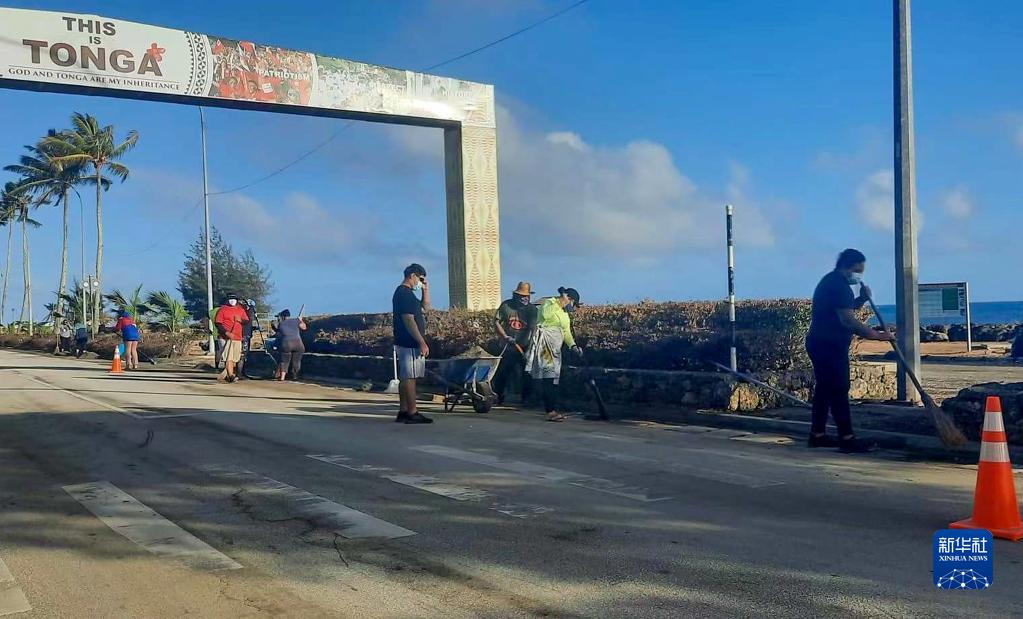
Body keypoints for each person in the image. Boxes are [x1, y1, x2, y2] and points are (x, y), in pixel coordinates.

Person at [806, 249, 895, 453]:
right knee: (838, 389)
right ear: (847, 266)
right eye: (858, 270)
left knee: (825, 389)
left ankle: (817, 435)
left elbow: (842, 309)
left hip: (820, 343)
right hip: (828, 346)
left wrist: (861, 300)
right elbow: (847, 320)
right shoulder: (839, 286)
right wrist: (877, 335)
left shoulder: (832, 282)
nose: (860, 276)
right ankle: (847, 438)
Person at [525, 287, 583, 422]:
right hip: (545, 345)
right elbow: (545, 315)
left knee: (554, 377)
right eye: (573, 303)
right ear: (568, 298)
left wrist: (573, 346)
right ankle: (550, 410)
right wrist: (559, 303)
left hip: (556, 348)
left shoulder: (564, 314)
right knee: (549, 375)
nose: (572, 307)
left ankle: (553, 406)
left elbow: (566, 333)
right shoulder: (549, 303)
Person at [393, 263, 432, 424]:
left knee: (405, 377)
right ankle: (412, 411)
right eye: (420, 279)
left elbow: (426, 308)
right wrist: (421, 342)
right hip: (409, 342)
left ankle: (403, 410)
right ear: (412, 276)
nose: (420, 282)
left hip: (405, 341)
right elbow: (408, 320)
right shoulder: (404, 294)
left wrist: (425, 290)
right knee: (410, 377)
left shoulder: (407, 294)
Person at [492, 281, 537, 406]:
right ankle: (498, 396)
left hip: (524, 346)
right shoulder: (506, 306)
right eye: (522, 296)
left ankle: (527, 398)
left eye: (527, 296)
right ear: (516, 295)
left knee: (527, 373)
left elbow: (532, 329)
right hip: (508, 346)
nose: (525, 298)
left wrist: (528, 346)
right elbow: (496, 322)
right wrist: (505, 336)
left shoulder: (532, 310)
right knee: (503, 372)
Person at [214, 293, 249, 383]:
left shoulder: (240, 310)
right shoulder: (222, 310)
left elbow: (246, 321)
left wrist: (240, 320)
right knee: (228, 357)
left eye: (234, 299)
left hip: (237, 337)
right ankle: (231, 375)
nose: (232, 300)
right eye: (230, 299)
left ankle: (227, 374)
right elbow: (218, 323)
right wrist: (227, 333)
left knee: (235, 358)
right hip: (225, 338)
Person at [273, 309, 306, 380]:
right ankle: (295, 376)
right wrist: (300, 320)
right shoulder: (296, 320)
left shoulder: (281, 324)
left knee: (284, 360)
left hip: (287, 343)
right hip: (298, 343)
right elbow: (304, 327)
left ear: (283, 317)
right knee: (297, 361)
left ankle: (282, 377)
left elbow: (279, 334)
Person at [236, 300, 258, 380]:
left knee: (244, 355)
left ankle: (241, 372)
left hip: (245, 335)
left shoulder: (245, 313)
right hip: (244, 336)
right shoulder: (245, 313)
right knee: (242, 355)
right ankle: (239, 373)